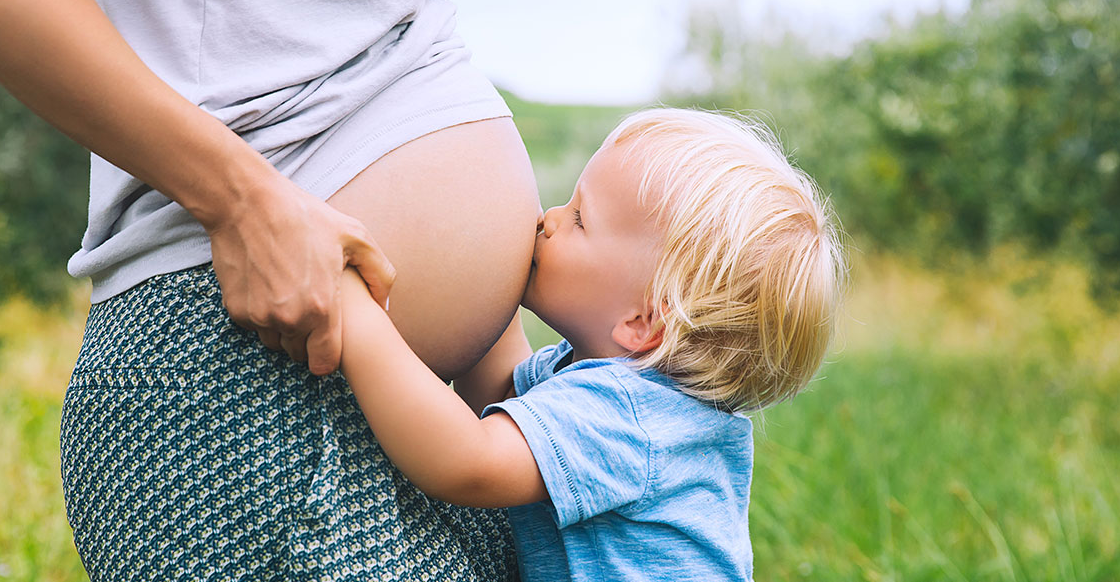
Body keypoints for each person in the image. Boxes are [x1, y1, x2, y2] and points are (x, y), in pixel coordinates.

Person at [0, 0, 538, 579]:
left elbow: (397, 62)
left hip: (424, 420)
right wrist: (241, 201)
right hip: (244, 388)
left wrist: (499, 344)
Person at [335, 108, 847, 581]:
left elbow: (468, 463)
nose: (549, 220)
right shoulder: (608, 383)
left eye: (580, 219)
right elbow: (496, 393)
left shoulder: (631, 415)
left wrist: (355, 311)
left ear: (642, 321)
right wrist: (486, 257)